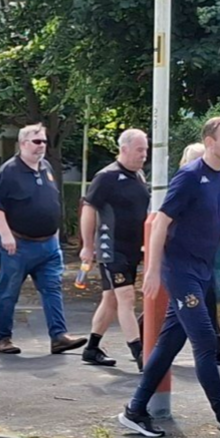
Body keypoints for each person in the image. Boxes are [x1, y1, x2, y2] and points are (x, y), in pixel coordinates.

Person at [117, 118, 220, 438]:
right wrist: (153, 271)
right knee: (205, 341)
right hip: (180, 270)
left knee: (170, 342)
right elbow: (159, 224)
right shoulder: (188, 177)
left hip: (202, 269)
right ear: (210, 142)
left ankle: (134, 410)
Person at [0, 123, 87, 355]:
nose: (41, 146)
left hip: (48, 244)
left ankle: (59, 336)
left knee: (52, 288)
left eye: (44, 141)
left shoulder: (46, 168)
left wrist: (55, 232)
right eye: (36, 141)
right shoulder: (9, 172)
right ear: (23, 144)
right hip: (18, 244)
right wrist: (5, 235)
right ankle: (4, 338)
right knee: (8, 291)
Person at [79, 128, 149, 369]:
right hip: (111, 248)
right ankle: (141, 355)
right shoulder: (106, 177)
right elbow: (89, 209)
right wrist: (88, 246)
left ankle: (91, 348)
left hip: (132, 249)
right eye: (139, 149)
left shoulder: (139, 177)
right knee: (126, 298)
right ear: (124, 149)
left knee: (110, 299)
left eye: (146, 149)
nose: (144, 155)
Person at [177, 141, 220, 367]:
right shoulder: (185, 183)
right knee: (179, 307)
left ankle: (215, 348)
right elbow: (162, 221)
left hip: (204, 257)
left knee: (205, 300)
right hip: (181, 260)